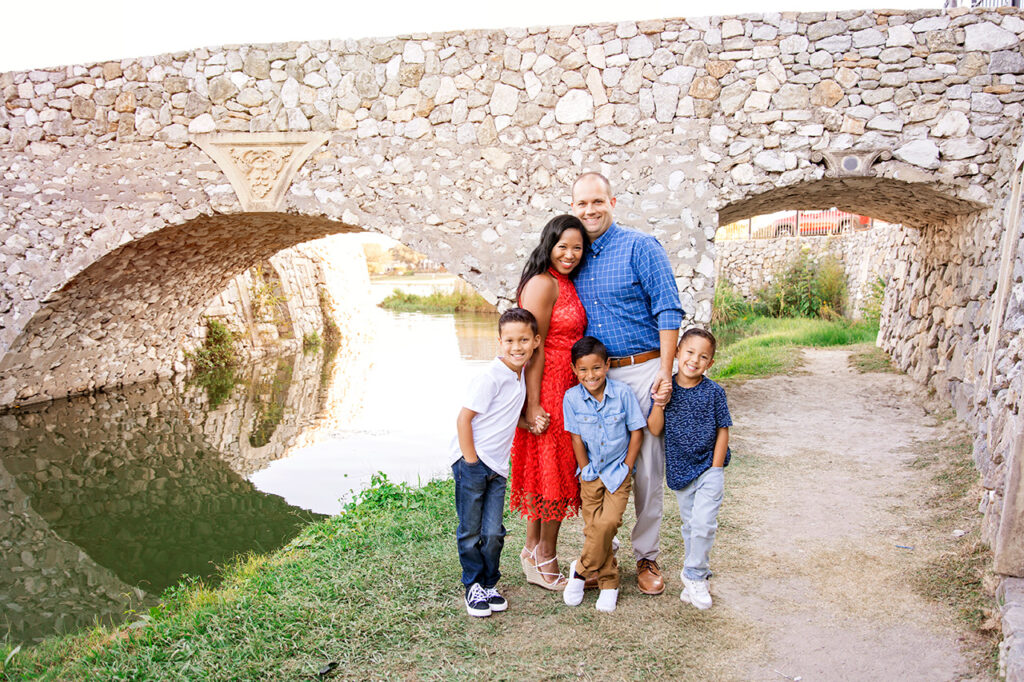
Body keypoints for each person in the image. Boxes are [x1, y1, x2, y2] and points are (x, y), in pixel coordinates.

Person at [570, 171, 684, 596]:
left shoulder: (641, 247)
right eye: (581, 204)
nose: (590, 211)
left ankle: (647, 555)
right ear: (573, 207)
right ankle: (603, 553)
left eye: (596, 202)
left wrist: (663, 372)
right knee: (599, 467)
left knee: (647, 468)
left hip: (641, 370)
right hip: (595, 378)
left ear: (612, 202)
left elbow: (669, 310)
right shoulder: (573, 255)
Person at [510, 215, 590, 590]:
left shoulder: (565, 283)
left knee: (549, 473)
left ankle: (531, 550)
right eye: (563, 247)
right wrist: (532, 405)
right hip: (549, 389)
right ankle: (546, 557)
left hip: (568, 387)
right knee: (555, 474)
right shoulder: (543, 284)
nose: (571, 254)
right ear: (549, 245)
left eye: (577, 247)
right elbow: (532, 348)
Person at [450, 307, 541, 617]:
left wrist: (530, 425)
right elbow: (464, 420)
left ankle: (490, 584)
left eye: (524, 340)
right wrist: (472, 463)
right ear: (499, 342)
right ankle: (473, 586)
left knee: (494, 532)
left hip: (498, 468)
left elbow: (507, 416)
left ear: (535, 341)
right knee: (471, 531)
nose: (517, 347)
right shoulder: (490, 376)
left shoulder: (521, 375)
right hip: (472, 462)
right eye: (510, 341)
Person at [647, 328, 732, 610]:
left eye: (703, 356)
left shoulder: (714, 393)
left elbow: (723, 429)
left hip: (709, 468)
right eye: (690, 352)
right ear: (677, 353)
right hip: (681, 471)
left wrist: (717, 467)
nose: (694, 360)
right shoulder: (665, 387)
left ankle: (694, 573)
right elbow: (655, 429)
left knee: (704, 523)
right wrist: (661, 401)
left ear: (710, 363)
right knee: (690, 526)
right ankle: (698, 577)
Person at [561, 336, 646, 613]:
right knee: (595, 529)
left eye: (596, 368)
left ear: (607, 365)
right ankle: (609, 583)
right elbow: (575, 438)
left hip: (617, 472)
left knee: (607, 523)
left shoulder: (622, 393)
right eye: (583, 370)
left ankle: (580, 570)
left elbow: (636, 431)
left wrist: (627, 467)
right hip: (590, 473)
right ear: (575, 370)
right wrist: (585, 469)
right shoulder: (571, 398)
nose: (591, 375)